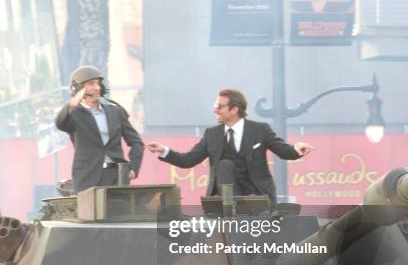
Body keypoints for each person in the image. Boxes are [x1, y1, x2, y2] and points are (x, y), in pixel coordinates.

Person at [147, 88, 313, 204]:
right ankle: (229, 208)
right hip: (225, 201)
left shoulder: (260, 130)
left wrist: (296, 149)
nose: (215, 110)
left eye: (219, 107)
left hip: (257, 196)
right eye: (215, 106)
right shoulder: (211, 134)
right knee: (225, 165)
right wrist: (164, 151)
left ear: (234, 109)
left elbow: (282, 150)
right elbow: (188, 160)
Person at [56, 66, 144, 194]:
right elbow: (60, 123)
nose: (97, 88)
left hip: (116, 177)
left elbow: (136, 142)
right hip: (87, 178)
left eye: (98, 83)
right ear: (78, 88)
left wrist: (134, 169)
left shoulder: (115, 111)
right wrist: (73, 103)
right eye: (91, 84)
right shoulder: (74, 114)